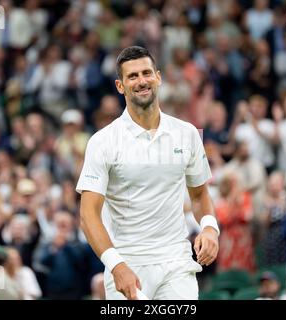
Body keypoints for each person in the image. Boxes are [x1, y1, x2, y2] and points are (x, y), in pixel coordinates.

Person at [76, 46, 219, 300]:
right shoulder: (103, 142)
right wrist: (116, 265)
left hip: (177, 262)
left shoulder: (187, 134)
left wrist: (209, 227)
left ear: (158, 77)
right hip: (127, 264)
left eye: (146, 73)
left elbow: (199, 195)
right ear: (120, 86)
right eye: (132, 76)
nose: (141, 81)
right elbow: (88, 215)